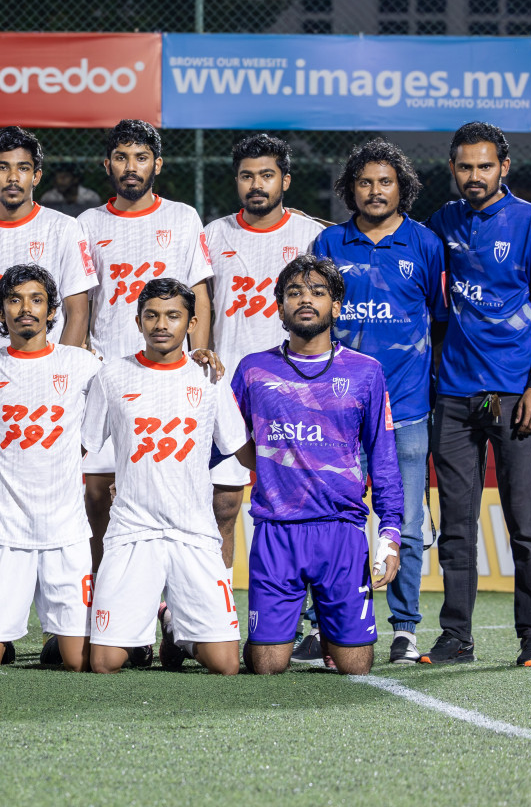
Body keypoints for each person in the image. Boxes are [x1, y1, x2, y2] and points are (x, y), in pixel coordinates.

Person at [425, 121, 531, 668]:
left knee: (524, 523)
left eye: (485, 166)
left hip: (509, 396)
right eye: (464, 166)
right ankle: (456, 636)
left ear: (504, 167)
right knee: (456, 524)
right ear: (453, 169)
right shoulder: (442, 222)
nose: (474, 176)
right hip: (455, 398)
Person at [232, 255, 403, 676]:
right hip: (276, 532)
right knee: (266, 667)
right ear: (279, 307)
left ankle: (329, 632)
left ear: (337, 306)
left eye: (317, 292)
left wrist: (391, 534)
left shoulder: (366, 372)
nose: (305, 300)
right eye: (294, 292)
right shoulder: (253, 369)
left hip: (341, 533)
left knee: (356, 669)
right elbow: (222, 440)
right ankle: (283, 636)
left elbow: (383, 458)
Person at [312, 140, 443, 665]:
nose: (374, 191)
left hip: (406, 410)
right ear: (351, 189)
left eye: (384, 181)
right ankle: (327, 626)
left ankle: (405, 628)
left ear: (401, 186)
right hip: (339, 410)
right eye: (364, 182)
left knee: (405, 523)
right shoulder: (329, 241)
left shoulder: (426, 244)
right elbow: (313, 317)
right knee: (334, 520)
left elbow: (439, 316)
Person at [82, 278, 252, 676]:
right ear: (138, 321)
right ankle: (139, 636)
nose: (161, 324)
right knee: (104, 664)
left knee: (226, 665)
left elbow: (241, 449)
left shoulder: (209, 378)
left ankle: (180, 632)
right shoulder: (112, 376)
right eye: (152, 315)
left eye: (173, 316)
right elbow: (82, 446)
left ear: (191, 323)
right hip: (132, 530)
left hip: (192, 531)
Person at [77, 120, 215, 573]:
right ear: (107, 164)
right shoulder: (88, 224)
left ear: (158, 163)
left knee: (168, 488)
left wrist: (201, 351)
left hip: (168, 379)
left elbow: (199, 294)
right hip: (107, 378)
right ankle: (103, 592)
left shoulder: (182, 217)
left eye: (140, 158)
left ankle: (170, 607)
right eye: (121, 157)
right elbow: (78, 303)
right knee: (97, 495)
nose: (130, 167)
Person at [202, 134, 324, 630]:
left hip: (295, 391)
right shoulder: (212, 234)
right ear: (237, 181)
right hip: (228, 388)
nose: (257, 184)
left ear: (285, 180)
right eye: (248, 175)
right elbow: (198, 304)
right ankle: (213, 614)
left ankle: (314, 621)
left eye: (267, 175)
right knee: (224, 505)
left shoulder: (313, 236)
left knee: (302, 507)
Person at [0, 264, 101, 672]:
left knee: (79, 663)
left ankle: (59, 639)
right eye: (15, 300)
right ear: (0, 312)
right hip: (5, 531)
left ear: (52, 311)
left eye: (37, 300)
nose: (27, 309)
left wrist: (193, 356)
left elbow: (132, 390)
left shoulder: (82, 365)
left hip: (65, 531)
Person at [0, 127, 94, 354]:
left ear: (36, 176)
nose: (13, 177)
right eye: (2, 167)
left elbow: (78, 313)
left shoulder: (64, 228)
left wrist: (59, 369)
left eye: (23, 168)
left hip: (45, 373)